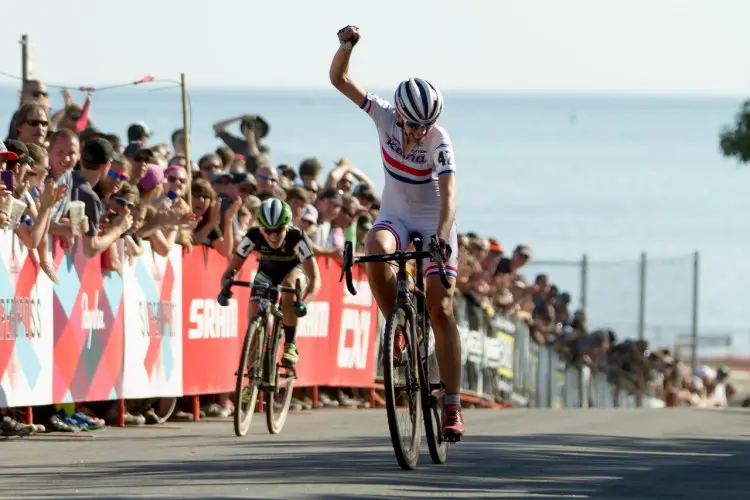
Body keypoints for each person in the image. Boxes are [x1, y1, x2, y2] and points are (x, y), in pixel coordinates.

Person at [329, 25, 464, 439]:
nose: (418, 132)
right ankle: (398, 328)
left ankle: (452, 405)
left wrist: (442, 234)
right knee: (374, 245)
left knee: (441, 309)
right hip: (396, 218)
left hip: (433, 220)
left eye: (427, 125)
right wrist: (346, 47)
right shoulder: (384, 115)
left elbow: (450, 193)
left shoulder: (439, 141)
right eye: (414, 124)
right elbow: (340, 80)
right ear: (401, 114)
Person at [218, 198, 321, 367]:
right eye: (267, 230)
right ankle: (250, 382)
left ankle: (289, 344)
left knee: (289, 286)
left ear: (286, 226)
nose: (273, 236)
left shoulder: (297, 237)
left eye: (278, 230)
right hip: (267, 272)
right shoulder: (253, 235)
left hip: (293, 270)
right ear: (261, 228)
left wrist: (304, 301)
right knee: (253, 318)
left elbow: (316, 279)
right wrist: (225, 288)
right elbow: (230, 271)